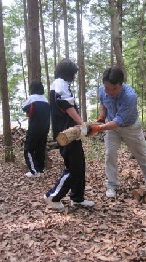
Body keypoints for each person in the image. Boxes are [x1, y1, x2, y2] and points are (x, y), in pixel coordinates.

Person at [88, 66, 146, 198]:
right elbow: (102, 103)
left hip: (130, 127)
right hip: (110, 126)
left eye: (113, 88)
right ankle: (112, 185)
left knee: (141, 153)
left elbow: (118, 121)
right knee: (110, 154)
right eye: (107, 88)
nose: (109, 91)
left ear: (121, 84)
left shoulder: (130, 96)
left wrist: (98, 128)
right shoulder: (102, 90)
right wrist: (101, 118)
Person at [44, 58, 94, 211]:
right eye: (73, 74)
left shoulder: (61, 84)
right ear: (68, 73)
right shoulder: (59, 83)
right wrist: (82, 124)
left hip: (71, 133)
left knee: (80, 165)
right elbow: (66, 106)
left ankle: (77, 197)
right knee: (74, 167)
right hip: (65, 134)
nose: (74, 77)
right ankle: (53, 197)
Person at [22, 79, 50, 178]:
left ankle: (34, 171)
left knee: (28, 149)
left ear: (32, 88)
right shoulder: (45, 99)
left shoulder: (31, 98)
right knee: (40, 149)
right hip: (45, 128)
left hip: (35, 128)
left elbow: (24, 107)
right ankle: (41, 170)